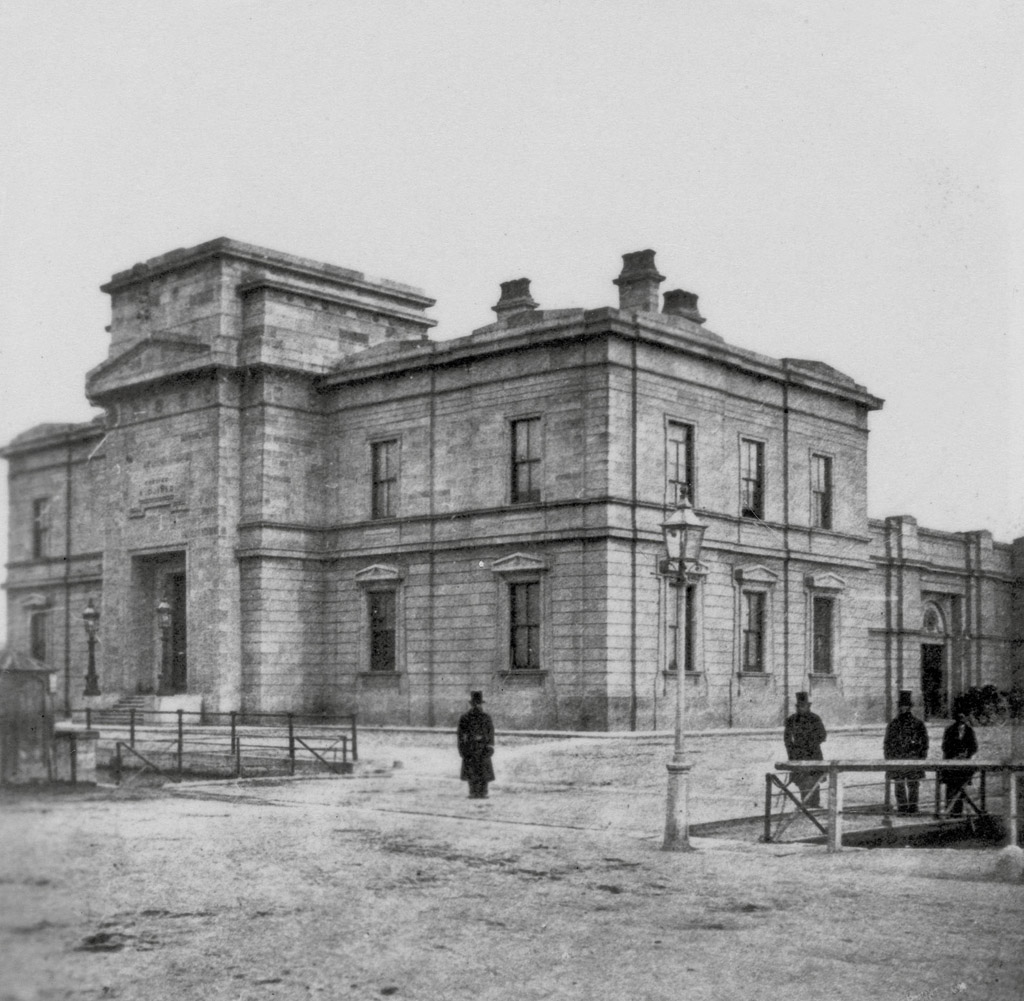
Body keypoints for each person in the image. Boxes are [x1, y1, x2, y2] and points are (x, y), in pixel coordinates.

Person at [883, 690, 929, 815]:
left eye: (906, 706)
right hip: (897, 759)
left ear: (910, 707)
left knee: (913, 785)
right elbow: (887, 744)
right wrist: (889, 759)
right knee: (899, 785)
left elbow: (924, 743)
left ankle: (913, 807)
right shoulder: (893, 724)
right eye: (901, 706)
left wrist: (921, 758)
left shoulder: (918, 724)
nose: (903, 709)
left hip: (913, 758)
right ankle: (902, 807)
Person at [783, 691, 827, 808]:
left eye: (804, 706)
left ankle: (815, 803)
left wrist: (811, 743)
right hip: (798, 754)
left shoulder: (815, 718)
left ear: (808, 706)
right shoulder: (791, 720)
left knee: (815, 778)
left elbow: (823, 735)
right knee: (802, 779)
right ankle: (805, 803)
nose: (801, 708)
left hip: (814, 754)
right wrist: (791, 753)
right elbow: (787, 739)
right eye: (799, 706)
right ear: (797, 707)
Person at [457, 691, 495, 799]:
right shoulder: (465, 717)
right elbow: (460, 735)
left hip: (483, 747)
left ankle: (483, 792)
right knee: (471, 771)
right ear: (471, 704)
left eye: (479, 703)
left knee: (483, 771)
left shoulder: (486, 717)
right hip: (470, 747)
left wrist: (490, 745)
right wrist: (461, 749)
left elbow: (490, 732)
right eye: (475, 703)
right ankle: (473, 791)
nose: (477, 706)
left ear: (481, 704)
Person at [940, 712, 978, 817]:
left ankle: (957, 812)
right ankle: (949, 811)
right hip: (951, 765)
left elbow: (974, 747)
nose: (962, 719)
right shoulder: (949, 730)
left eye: (963, 717)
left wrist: (966, 754)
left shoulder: (970, 731)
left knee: (961, 788)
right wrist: (955, 754)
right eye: (960, 717)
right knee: (951, 788)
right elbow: (944, 746)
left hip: (963, 766)